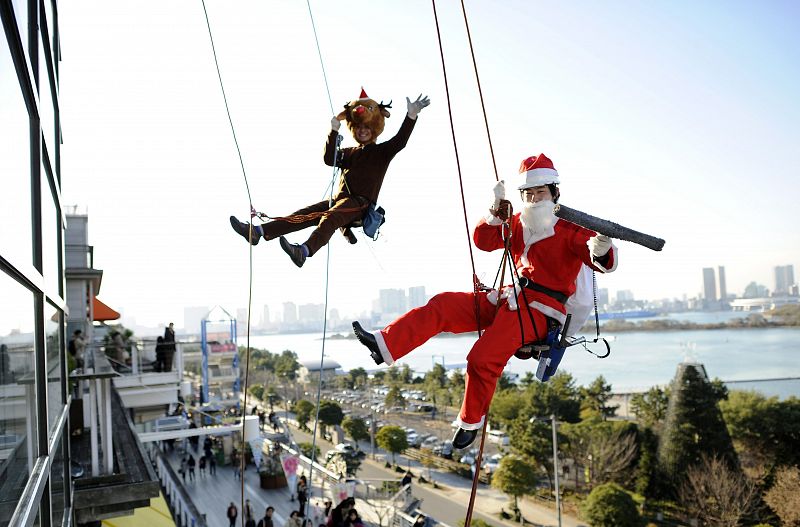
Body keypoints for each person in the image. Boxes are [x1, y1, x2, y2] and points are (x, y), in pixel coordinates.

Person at [352, 153, 618, 450]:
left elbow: (601, 264)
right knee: (443, 306)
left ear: (554, 192)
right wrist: (494, 212)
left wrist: (601, 248)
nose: (533, 198)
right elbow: (483, 240)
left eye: (540, 192)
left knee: (482, 357)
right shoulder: (518, 222)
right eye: (528, 193)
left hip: (540, 311)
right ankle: (385, 343)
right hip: (510, 298)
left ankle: (470, 422)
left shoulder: (572, 229)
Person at [229, 89, 430, 268]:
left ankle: (304, 251)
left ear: (374, 129)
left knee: (330, 217)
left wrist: (411, 115)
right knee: (304, 214)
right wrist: (333, 132)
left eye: (367, 128)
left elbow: (400, 141)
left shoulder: (381, 152)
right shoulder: (351, 152)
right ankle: (257, 231)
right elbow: (329, 158)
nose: (362, 131)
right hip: (340, 201)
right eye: (359, 128)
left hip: (360, 204)